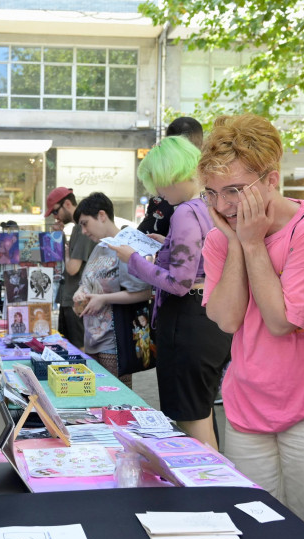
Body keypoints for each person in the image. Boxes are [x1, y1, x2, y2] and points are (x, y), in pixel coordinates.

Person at [200, 113, 304, 535]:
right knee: (253, 527)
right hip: (246, 403)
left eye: (234, 190)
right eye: (211, 193)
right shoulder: (219, 238)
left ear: (270, 180)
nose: (223, 206)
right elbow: (228, 320)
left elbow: (283, 321)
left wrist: (251, 243)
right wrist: (234, 242)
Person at [114, 136, 231, 448]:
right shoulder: (212, 205)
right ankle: (214, 486)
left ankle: (208, 488)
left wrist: (134, 260)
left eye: (159, 184)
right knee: (202, 410)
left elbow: (179, 283)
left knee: (191, 418)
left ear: (171, 175)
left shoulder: (186, 213)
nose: (158, 194)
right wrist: (164, 246)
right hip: (213, 315)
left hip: (188, 319)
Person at [72, 192, 151, 389]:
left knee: (116, 399)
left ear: (101, 215)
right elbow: (88, 281)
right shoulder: (100, 247)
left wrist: (104, 299)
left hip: (114, 340)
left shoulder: (126, 245)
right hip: (92, 338)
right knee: (96, 399)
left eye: (84, 223)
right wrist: (80, 292)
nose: (83, 231)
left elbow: (144, 292)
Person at [45, 187, 96, 349]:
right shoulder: (76, 229)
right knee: (71, 350)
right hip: (71, 298)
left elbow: (72, 267)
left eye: (55, 211)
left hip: (77, 300)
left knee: (78, 352)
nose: (55, 217)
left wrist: (67, 254)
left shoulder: (81, 229)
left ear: (67, 204)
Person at [137, 117, 205, 236]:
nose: (157, 191)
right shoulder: (212, 197)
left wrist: (132, 255)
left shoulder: (186, 211)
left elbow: (181, 254)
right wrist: (169, 245)